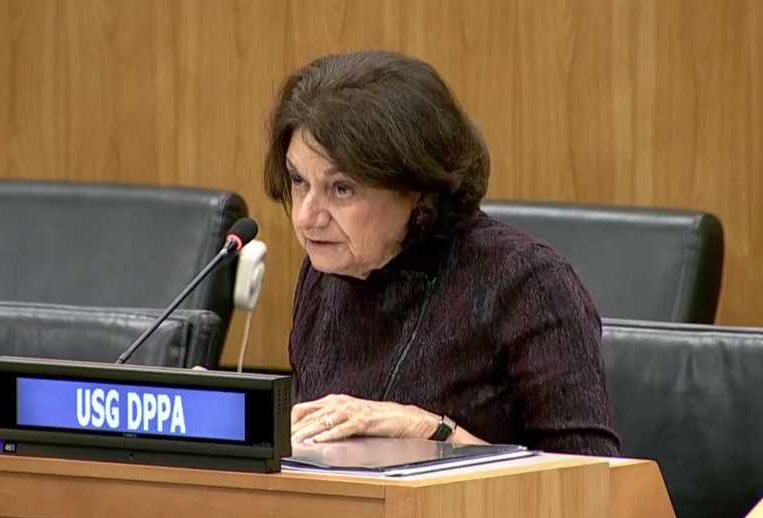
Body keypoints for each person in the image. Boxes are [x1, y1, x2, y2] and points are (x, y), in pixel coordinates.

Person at [263, 49, 621, 456]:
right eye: (299, 180)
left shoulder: (527, 282)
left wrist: (430, 430)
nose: (307, 217)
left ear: (420, 188)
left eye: (341, 188)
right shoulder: (324, 274)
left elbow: (592, 479)